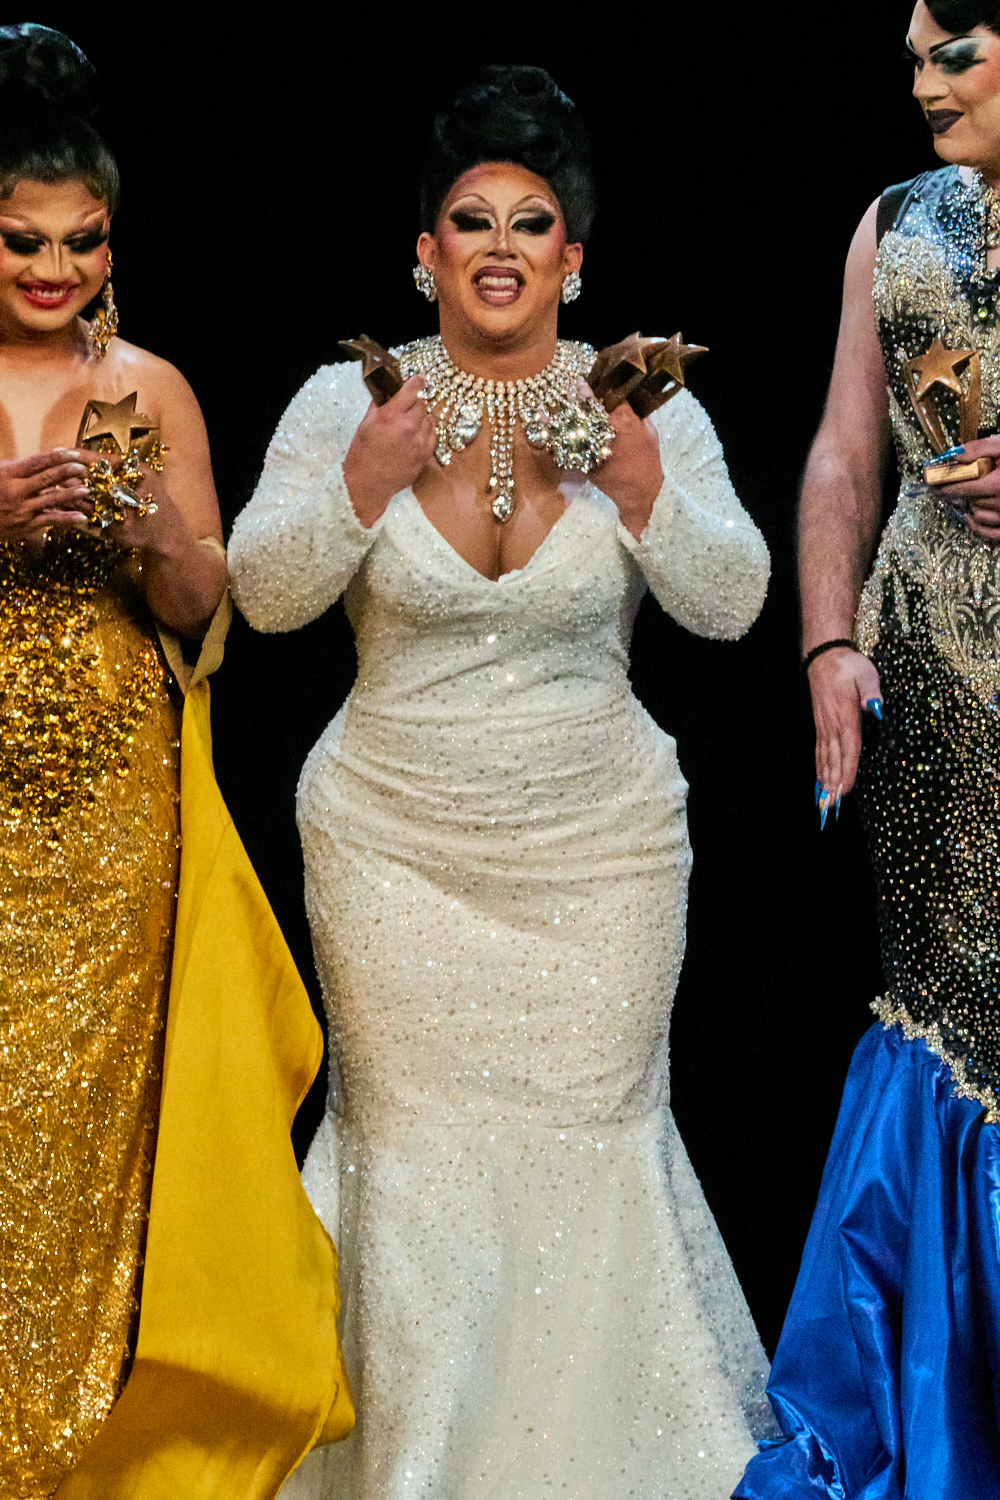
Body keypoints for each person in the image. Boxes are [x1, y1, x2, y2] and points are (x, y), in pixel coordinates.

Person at [229, 64, 777, 1500]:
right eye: (471, 221)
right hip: (392, 845)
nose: (499, 247)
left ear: (571, 256)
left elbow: (734, 603)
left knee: (590, 1145)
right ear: (425, 250)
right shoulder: (347, 400)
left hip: (599, 853)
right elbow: (263, 598)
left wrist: (642, 488)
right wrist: (362, 480)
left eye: (531, 224)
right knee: (413, 1156)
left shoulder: (637, 405)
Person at [0, 25, 350, 1498]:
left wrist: (150, 533)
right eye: (23, 240)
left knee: (95, 1134)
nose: (56, 269)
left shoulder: (152, 386)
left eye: (83, 241)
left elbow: (212, 608)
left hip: (111, 814)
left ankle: (84, 1460)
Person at [736, 4, 1000, 1497]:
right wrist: (829, 642)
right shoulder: (895, 225)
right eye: (913, 56)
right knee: (948, 1015)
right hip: (939, 699)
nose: (922, 85)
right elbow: (846, 450)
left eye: (955, 54)